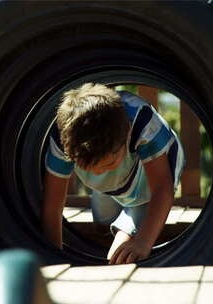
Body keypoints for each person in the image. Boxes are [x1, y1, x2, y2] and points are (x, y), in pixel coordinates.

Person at [41, 83, 185, 264]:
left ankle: (126, 221)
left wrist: (142, 242)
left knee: (119, 255)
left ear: (125, 137)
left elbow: (162, 189)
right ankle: (109, 204)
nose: (99, 171)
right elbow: (53, 204)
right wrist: (55, 256)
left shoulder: (143, 125)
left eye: (108, 164)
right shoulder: (63, 137)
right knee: (102, 221)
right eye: (88, 167)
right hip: (111, 185)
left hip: (149, 177)